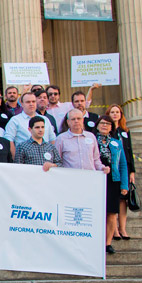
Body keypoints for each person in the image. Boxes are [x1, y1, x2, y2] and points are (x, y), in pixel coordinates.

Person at [94, 115, 129, 254]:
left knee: (112, 212)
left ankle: (108, 243)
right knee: (97, 212)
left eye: (108, 124)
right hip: (96, 179)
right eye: (102, 123)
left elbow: (123, 165)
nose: (105, 126)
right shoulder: (90, 140)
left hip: (113, 179)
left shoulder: (116, 143)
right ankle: (96, 241)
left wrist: (124, 185)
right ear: (97, 125)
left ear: (112, 128)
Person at [106, 104, 136, 240]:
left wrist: (132, 171)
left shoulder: (125, 131)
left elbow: (129, 151)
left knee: (123, 200)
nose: (115, 114)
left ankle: (122, 228)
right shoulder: (108, 130)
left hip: (125, 168)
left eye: (117, 112)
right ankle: (115, 229)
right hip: (114, 168)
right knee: (115, 199)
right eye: (112, 112)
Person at [54, 109, 108, 173]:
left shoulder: (91, 136)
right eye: (73, 119)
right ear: (68, 122)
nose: (76, 121)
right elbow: (57, 161)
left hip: (90, 178)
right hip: (70, 178)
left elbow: (96, 160)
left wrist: (102, 168)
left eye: (79, 118)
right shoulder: (61, 139)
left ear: (83, 120)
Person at [4, 92, 56, 156]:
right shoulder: (15, 120)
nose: (31, 104)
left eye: (33, 101)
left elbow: (52, 139)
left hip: (45, 159)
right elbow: (9, 140)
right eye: (28, 102)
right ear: (22, 104)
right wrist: (16, 159)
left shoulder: (45, 119)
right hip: (25, 160)